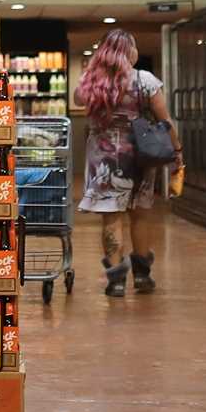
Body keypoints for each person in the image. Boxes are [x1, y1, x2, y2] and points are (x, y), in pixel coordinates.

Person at [75, 29, 181, 296]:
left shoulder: (91, 82)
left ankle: (117, 280)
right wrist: (177, 150)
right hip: (140, 155)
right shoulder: (144, 80)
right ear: (129, 51)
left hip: (104, 158)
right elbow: (165, 120)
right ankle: (143, 276)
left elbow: (79, 99)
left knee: (111, 219)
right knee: (140, 216)